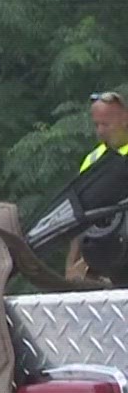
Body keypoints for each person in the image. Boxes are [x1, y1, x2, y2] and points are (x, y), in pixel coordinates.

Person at [67, 88, 128, 283]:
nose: (100, 131)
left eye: (106, 124)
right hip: (101, 259)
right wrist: (72, 265)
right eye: (97, 125)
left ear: (125, 119)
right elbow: (78, 213)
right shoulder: (93, 160)